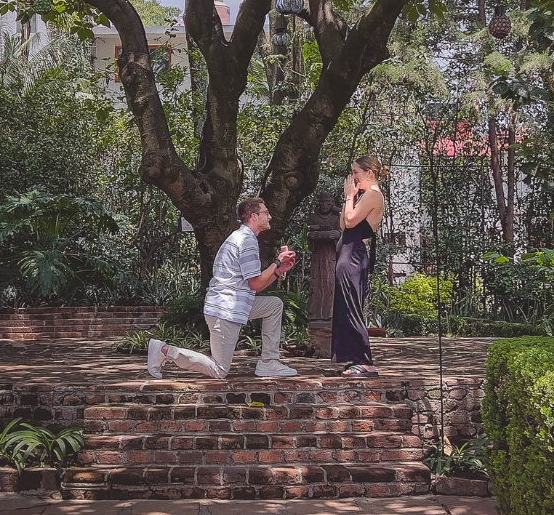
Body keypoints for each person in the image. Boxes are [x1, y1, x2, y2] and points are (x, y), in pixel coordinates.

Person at [146, 198, 299, 379]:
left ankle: (269, 362)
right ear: (254, 216)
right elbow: (256, 284)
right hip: (225, 310)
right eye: (266, 213)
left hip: (235, 305)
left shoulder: (243, 238)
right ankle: (164, 350)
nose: (270, 217)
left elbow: (254, 286)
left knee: (273, 305)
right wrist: (277, 262)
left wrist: (278, 270)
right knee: (219, 370)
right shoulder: (246, 241)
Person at [333, 155, 386, 376]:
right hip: (347, 252)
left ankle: (365, 361)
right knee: (345, 306)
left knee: (352, 306)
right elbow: (344, 223)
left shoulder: (373, 194)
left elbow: (352, 220)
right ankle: (353, 356)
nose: (353, 177)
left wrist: (348, 198)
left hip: (354, 255)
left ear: (369, 173)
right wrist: (351, 198)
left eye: (356, 172)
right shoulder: (364, 195)